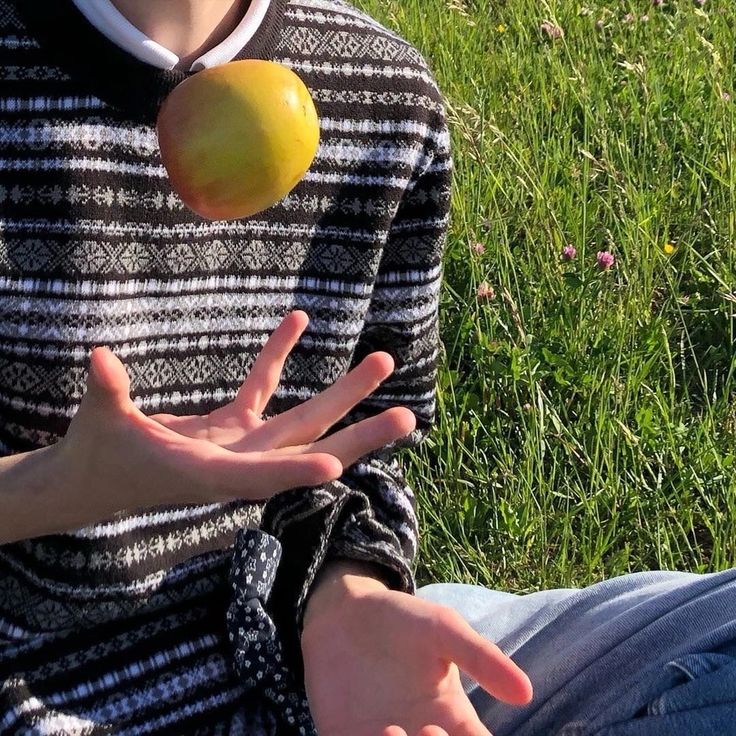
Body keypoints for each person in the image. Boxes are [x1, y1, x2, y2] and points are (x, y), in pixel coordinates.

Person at [1, 2, 734, 736]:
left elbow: (364, 447)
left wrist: (347, 593)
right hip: (53, 694)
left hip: (335, 665)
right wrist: (57, 487)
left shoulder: (381, 89)